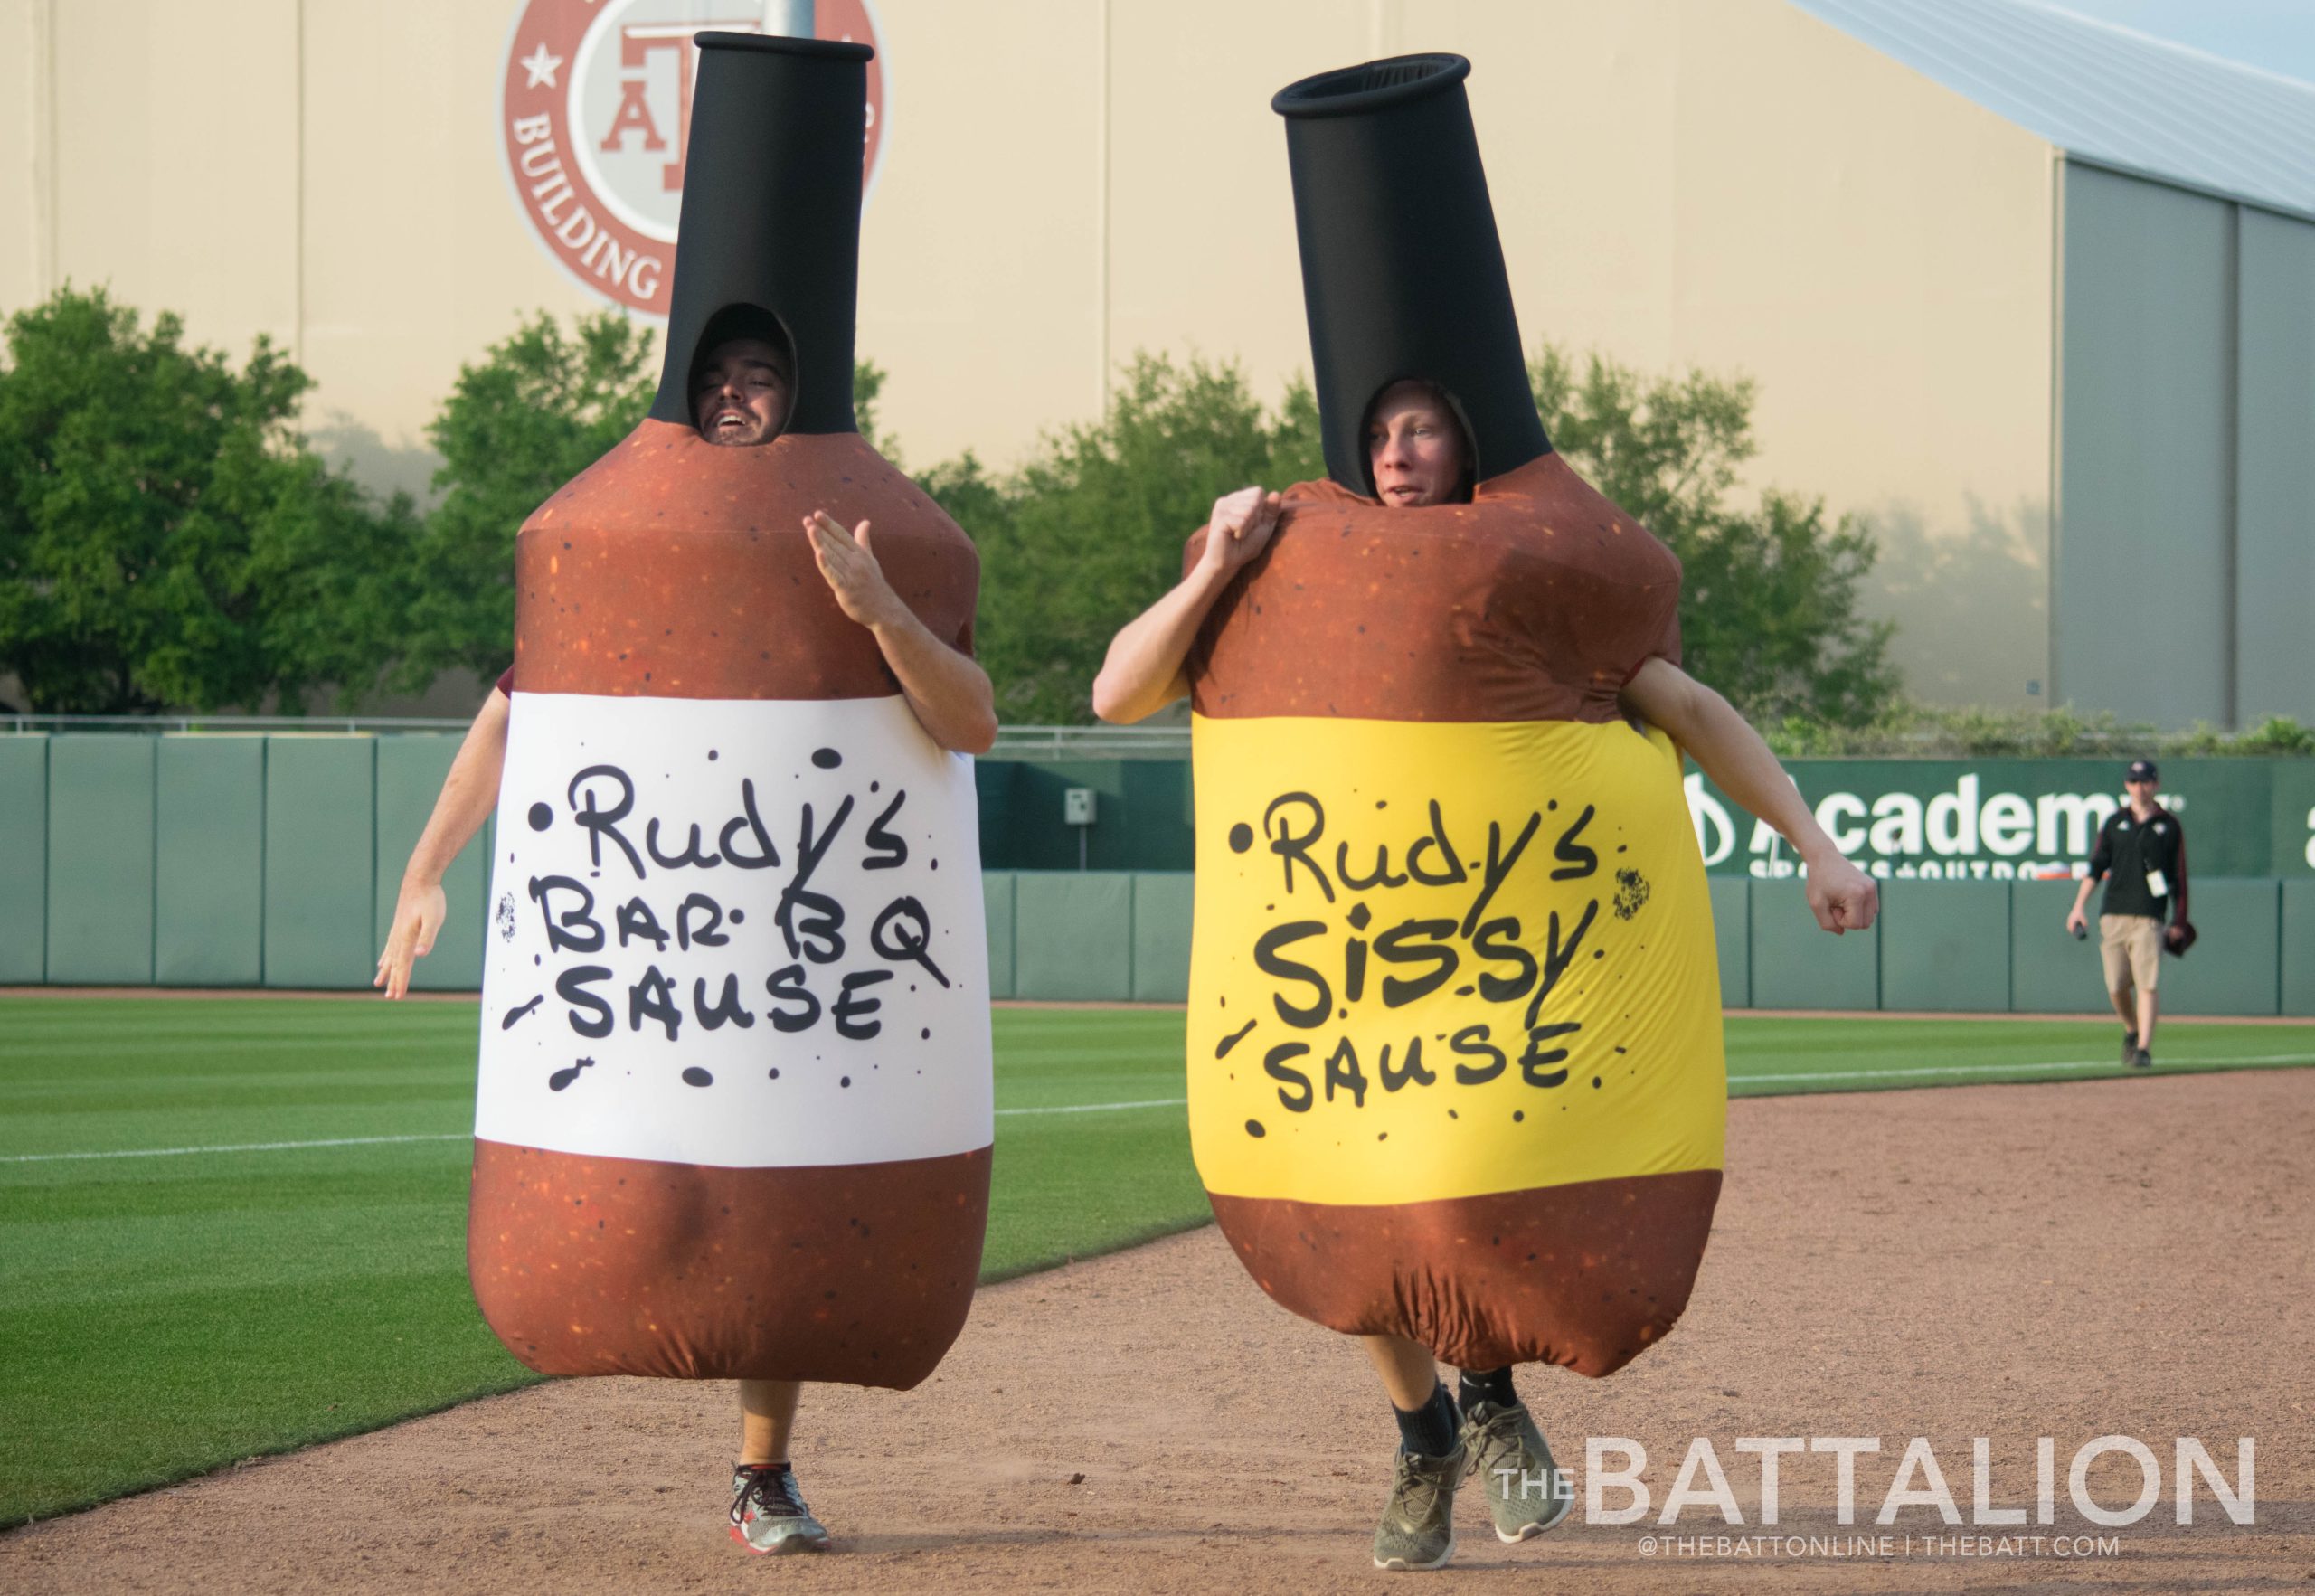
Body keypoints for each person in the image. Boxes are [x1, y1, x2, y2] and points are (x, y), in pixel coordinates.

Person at [1095, 377, 1879, 1567]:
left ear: (1467, 441)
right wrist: (1218, 563)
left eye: (1420, 427)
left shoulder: (1535, 576)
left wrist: (1816, 843)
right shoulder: (1286, 574)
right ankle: (1427, 1434)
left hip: (1487, 968)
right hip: (1338, 969)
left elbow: (1696, 712)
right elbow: (1116, 693)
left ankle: (1489, 1396)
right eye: (1377, 434)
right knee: (1353, 1222)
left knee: (1455, 1176)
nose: (1396, 450)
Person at [374, 326, 997, 1555]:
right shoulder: (632, 548)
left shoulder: (871, 539)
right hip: (662, 947)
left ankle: (762, 1474)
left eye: (759, 375)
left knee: (788, 1219)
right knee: (658, 1185)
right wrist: (424, 867)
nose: (730, 397)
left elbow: (968, 719)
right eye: (714, 378)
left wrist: (875, 611)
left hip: (809, 947)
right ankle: (735, 1470)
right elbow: (515, 716)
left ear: (800, 394)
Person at [2065, 758, 2191, 1069]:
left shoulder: (2168, 825)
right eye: (2134, 781)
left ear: (2156, 784)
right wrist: (2078, 906)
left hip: (2149, 916)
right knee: (2116, 985)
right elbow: (2096, 866)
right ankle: (2132, 1029)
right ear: (2126, 785)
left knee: (2147, 983)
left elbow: (2179, 877)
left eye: (2145, 781)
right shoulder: (2114, 822)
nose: (2140, 787)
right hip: (2114, 914)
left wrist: (2178, 920)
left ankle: (2144, 1049)